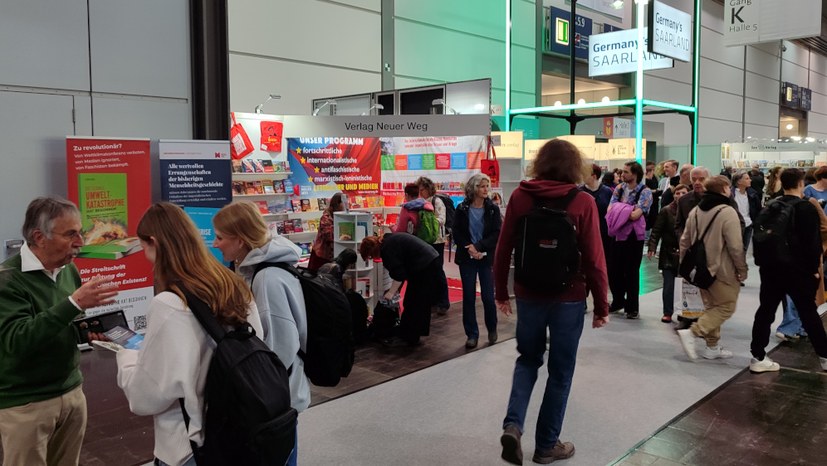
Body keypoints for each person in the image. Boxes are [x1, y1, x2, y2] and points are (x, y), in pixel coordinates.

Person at [116, 202, 263, 466]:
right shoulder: (235, 286)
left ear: (154, 242)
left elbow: (144, 397)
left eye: (142, 246)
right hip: (243, 431)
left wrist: (126, 357)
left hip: (189, 446)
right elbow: (259, 344)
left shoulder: (168, 305)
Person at [494, 139, 609, 465]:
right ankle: (546, 446)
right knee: (560, 372)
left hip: (529, 293)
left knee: (527, 360)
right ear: (576, 166)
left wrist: (501, 292)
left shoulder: (520, 196)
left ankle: (513, 426)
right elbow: (595, 260)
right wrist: (602, 306)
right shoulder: (583, 201)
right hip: (568, 298)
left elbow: (503, 250)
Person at [0, 197, 118, 466]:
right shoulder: (7, 281)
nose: (80, 242)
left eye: (80, 232)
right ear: (39, 237)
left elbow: (61, 326)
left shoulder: (68, 271)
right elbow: (17, 341)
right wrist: (73, 303)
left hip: (72, 392)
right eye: (70, 234)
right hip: (26, 404)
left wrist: (86, 333)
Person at [212, 201, 309, 466]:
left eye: (220, 237)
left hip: (277, 400)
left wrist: (256, 389)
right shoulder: (262, 270)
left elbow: (281, 347)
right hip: (279, 395)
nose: (215, 244)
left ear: (240, 240)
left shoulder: (266, 279)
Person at [749, 168, 827, 373]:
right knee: (808, 312)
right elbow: (812, 243)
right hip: (797, 270)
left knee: (765, 311)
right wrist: (814, 270)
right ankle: (825, 356)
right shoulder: (805, 208)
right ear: (801, 183)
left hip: (770, 267)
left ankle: (757, 356)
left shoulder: (770, 205)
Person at [676, 176, 747, 361]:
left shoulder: (696, 211)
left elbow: (684, 241)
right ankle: (693, 332)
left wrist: (685, 265)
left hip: (700, 270)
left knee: (711, 307)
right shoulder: (727, 212)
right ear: (724, 189)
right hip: (722, 270)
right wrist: (742, 269)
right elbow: (735, 247)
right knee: (726, 307)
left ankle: (712, 347)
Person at [359, 233, 449, 347]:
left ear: (372, 250)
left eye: (370, 256)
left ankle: (410, 337)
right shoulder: (387, 240)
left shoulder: (387, 250)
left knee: (413, 302)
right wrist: (394, 291)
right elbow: (401, 273)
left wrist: (391, 292)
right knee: (419, 302)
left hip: (425, 266)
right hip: (429, 261)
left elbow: (399, 275)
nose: (373, 259)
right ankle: (414, 334)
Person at [453, 173, 501, 348]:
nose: (485, 189)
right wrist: (469, 247)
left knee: (488, 297)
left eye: (487, 186)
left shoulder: (492, 209)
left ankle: (492, 328)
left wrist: (479, 247)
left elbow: (496, 233)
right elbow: (456, 231)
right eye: (482, 186)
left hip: (485, 257)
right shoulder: (462, 208)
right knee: (469, 297)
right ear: (473, 188)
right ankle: (471, 334)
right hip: (467, 257)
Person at [606, 161, 653, 319]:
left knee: (631, 272)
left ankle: (632, 307)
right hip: (617, 234)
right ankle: (618, 300)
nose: (622, 175)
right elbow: (610, 209)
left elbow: (636, 215)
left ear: (635, 174)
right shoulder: (619, 189)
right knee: (613, 270)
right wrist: (627, 209)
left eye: (626, 172)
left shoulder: (645, 192)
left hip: (634, 237)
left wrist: (621, 209)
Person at [648, 184, 690, 323]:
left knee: (686, 286)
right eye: (677, 193)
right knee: (668, 286)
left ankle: (686, 312)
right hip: (668, 253)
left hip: (687, 254)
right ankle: (667, 312)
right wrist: (652, 247)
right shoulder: (666, 211)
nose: (679, 195)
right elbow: (656, 230)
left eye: (683, 193)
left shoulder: (693, 210)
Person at [415, 176, 450, 314]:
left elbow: (442, 219)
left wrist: (427, 220)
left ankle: (443, 302)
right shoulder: (419, 202)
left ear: (428, 188)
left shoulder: (437, 201)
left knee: (437, 270)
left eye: (422, 189)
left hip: (437, 241)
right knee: (428, 271)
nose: (420, 192)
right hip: (425, 241)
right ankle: (432, 300)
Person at [580, 163, 613, 271]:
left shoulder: (607, 191)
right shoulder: (579, 192)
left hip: (604, 233)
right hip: (585, 233)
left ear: (594, 176)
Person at [308, 192, 346, 271]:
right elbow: (329, 236)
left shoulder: (340, 215)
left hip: (333, 255)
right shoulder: (326, 218)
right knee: (319, 278)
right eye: (343, 203)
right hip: (322, 255)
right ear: (337, 204)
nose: (345, 205)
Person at [731, 170, 761, 253]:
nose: (750, 180)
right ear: (739, 181)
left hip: (748, 224)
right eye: (747, 178)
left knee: (744, 250)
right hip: (735, 225)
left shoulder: (752, 194)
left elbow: (758, 209)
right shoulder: (731, 194)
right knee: (734, 250)